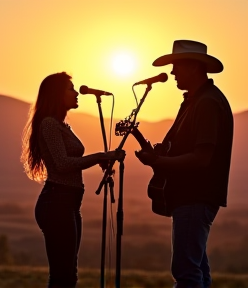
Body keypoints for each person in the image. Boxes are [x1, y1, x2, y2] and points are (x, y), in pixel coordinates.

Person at [132, 40, 233, 288]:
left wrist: (158, 161)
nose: (173, 72)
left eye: (177, 66)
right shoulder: (195, 101)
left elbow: (201, 158)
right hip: (193, 197)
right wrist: (160, 158)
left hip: (195, 196)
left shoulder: (207, 103)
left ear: (193, 67)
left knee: (186, 273)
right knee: (197, 270)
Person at [20, 72, 125, 288]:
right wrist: (99, 157)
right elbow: (62, 164)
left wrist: (98, 160)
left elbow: (70, 161)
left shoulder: (61, 124)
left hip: (68, 204)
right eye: (71, 89)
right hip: (57, 203)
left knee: (68, 274)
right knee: (63, 276)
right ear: (57, 94)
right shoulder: (49, 124)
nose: (76, 93)